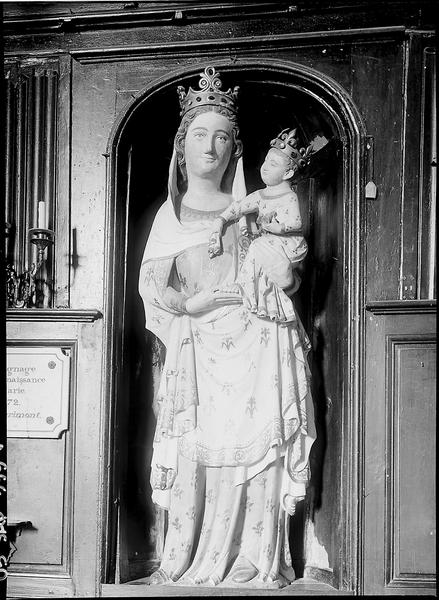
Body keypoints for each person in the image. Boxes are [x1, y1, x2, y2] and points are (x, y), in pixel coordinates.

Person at [138, 66, 316, 588]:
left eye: (221, 136)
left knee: (259, 445)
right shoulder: (169, 216)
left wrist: (284, 274)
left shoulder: (253, 208)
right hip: (198, 346)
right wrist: (190, 304)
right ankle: (188, 552)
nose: (210, 147)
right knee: (197, 446)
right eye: (200, 134)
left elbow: (284, 270)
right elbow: (153, 287)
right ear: (181, 146)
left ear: (235, 148)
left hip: (256, 337)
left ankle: (250, 554)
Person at [208, 128, 313, 323]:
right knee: (257, 250)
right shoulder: (260, 195)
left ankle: (248, 283)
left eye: (273, 164)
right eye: (266, 161)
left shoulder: (289, 196)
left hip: (288, 245)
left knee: (256, 246)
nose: (265, 167)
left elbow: (297, 222)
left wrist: (279, 228)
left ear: (288, 172)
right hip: (270, 243)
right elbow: (239, 207)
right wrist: (221, 220)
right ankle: (261, 286)